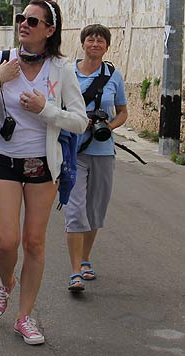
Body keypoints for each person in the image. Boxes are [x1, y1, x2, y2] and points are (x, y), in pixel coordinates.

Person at [0, 0, 87, 345]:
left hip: (42, 166)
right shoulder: (1, 60)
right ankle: (6, 283)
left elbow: (79, 120)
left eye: (33, 21)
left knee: (34, 243)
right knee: (6, 241)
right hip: (3, 161)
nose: (24, 24)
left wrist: (46, 109)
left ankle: (24, 317)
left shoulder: (61, 69)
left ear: (50, 30)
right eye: (21, 19)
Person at [65, 24, 128, 292]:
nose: (95, 43)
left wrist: (108, 127)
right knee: (75, 209)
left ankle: (86, 258)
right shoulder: (68, 73)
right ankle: (75, 271)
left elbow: (122, 112)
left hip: (103, 151)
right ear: (83, 43)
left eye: (100, 40)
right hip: (74, 151)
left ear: (107, 46)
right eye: (90, 39)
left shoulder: (113, 76)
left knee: (95, 210)